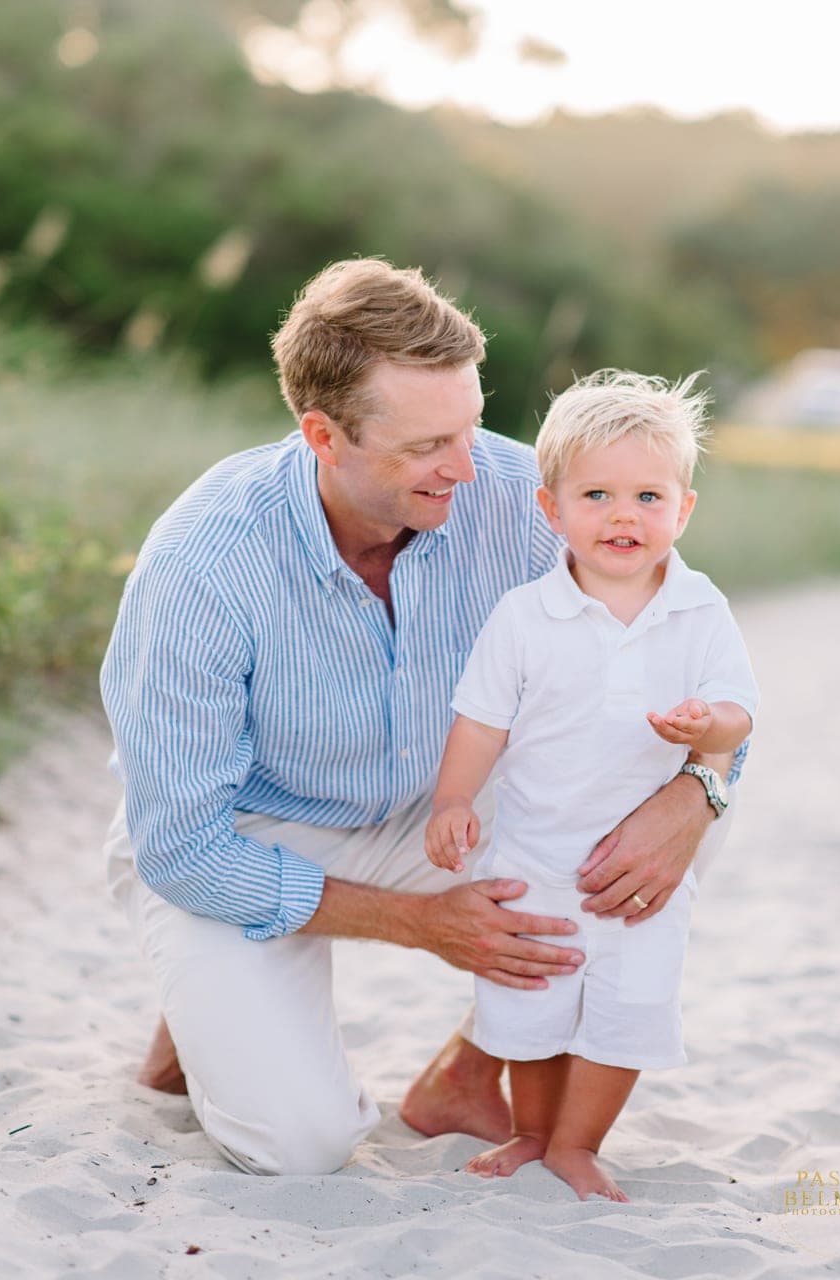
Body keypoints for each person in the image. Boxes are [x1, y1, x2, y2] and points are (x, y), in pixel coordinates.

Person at [100, 259, 738, 1177]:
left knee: (656, 832)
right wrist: (421, 923)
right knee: (299, 1145)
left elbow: (691, 651)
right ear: (325, 435)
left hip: (437, 810)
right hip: (241, 832)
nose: (468, 467)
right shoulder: (204, 563)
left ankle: (466, 1075)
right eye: (427, 446)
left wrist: (701, 791)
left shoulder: (527, 498)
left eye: (472, 427)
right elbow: (183, 846)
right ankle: (206, 1005)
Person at [425, 370, 759, 1201]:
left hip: (640, 876)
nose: (623, 515)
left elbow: (740, 714)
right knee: (532, 1006)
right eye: (598, 494)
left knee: (625, 1010)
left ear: (683, 510)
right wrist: (453, 801)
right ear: (552, 510)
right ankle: (532, 1131)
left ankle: (577, 1143)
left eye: (649, 496)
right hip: (535, 855)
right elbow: (480, 722)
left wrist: (705, 728)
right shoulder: (523, 616)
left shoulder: (699, 608)